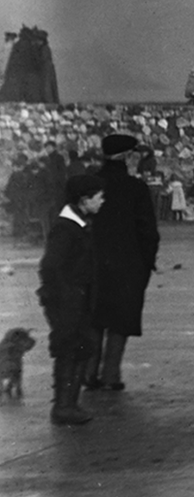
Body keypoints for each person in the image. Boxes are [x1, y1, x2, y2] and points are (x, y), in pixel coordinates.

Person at [84, 134, 160, 393]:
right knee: (120, 320)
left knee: (94, 317)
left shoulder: (88, 185)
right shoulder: (135, 188)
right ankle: (110, 376)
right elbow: (148, 232)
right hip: (127, 265)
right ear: (128, 156)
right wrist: (147, 263)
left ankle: (88, 373)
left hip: (91, 263)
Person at [40, 174, 106, 424]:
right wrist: (67, 296)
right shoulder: (65, 228)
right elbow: (50, 266)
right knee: (69, 349)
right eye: (99, 196)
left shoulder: (77, 223)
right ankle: (64, 406)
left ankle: (69, 404)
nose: (102, 201)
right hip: (68, 301)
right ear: (84, 199)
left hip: (77, 299)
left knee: (80, 348)